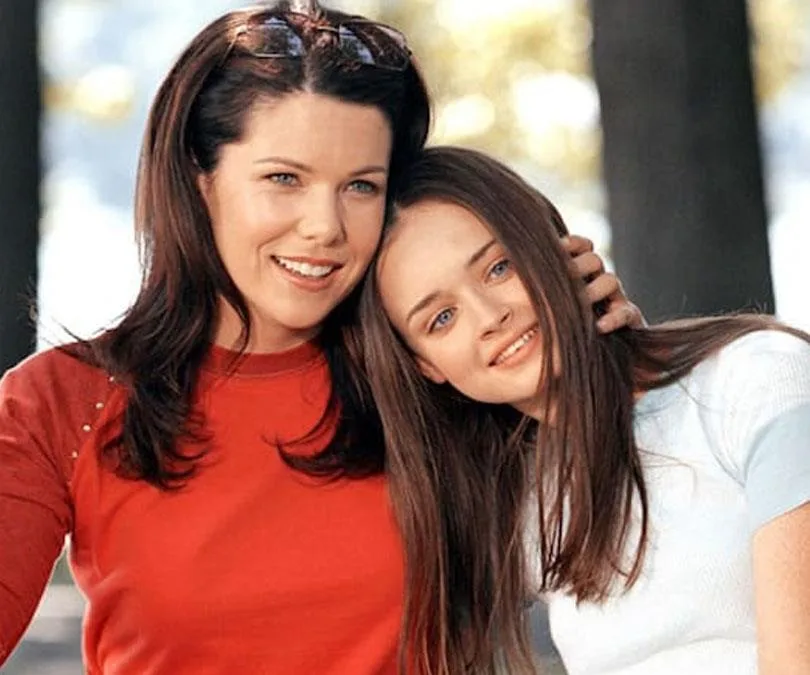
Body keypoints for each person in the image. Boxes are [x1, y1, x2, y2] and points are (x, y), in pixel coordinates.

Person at [0, 3, 639, 673]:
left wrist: (597, 354)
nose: (325, 227)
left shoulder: (431, 365)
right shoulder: (63, 402)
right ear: (200, 178)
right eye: (284, 179)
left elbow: (656, 521)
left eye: (360, 186)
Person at [359, 145, 810, 675]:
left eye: (499, 267)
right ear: (426, 366)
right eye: (441, 318)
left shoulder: (756, 378)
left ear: (561, 248)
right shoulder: (519, 502)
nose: (489, 316)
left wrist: (619, 361)